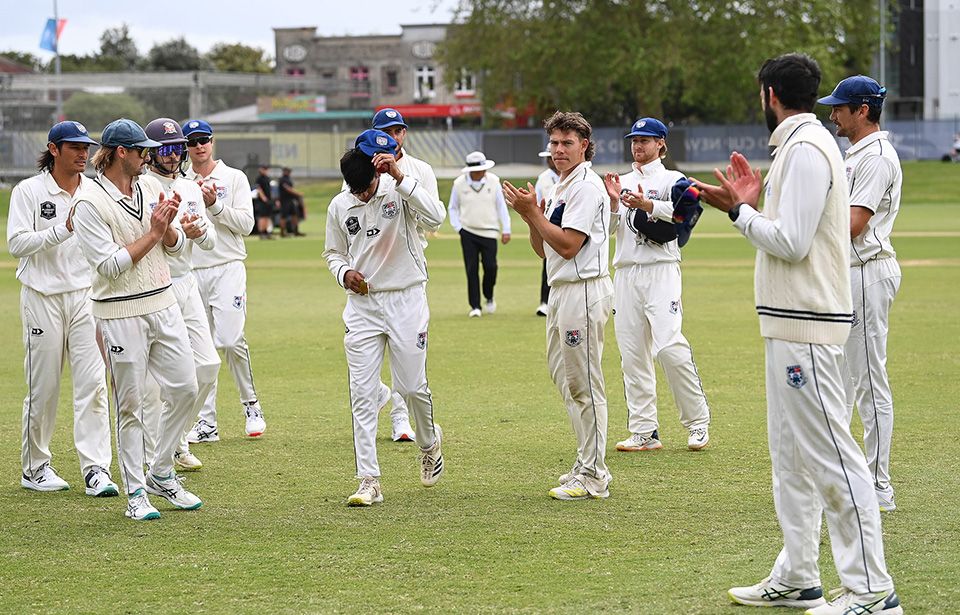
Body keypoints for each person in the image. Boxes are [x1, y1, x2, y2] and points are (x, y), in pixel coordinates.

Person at [695, 53, 902, 614]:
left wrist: (741, 213)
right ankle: (798, 575)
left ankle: (872, 592)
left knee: (833, 455)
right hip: (788, 322)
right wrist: (747, 205)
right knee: (789, 458)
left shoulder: (808, 148)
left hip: (808, 324)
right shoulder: (797, 145)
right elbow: (791, 228)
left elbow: (791, 242)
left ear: (769, 94)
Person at [72, 118, 203, 520]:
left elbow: (177, 247)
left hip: (163, 304)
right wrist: (153, 233)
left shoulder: (150, 187)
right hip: (119, 313)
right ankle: (135, 495)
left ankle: (161, 471)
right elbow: (110, 266)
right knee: (130, 405)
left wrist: (168, 232)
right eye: (141, 150)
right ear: (119, 153)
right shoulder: (88, 202)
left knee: (186, 388)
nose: (150, 156)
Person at [323, 129, 446, 506]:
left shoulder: (399, 190)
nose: (362, 195)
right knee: (361, 393)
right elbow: (333, 253)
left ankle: (429, 444)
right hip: (362, 306)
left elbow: (437, 216)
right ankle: (368, 480)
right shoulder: (340, 205)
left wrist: (399, 177)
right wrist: (345, 274)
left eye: (367, 188)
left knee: (410, 388)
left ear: (377, 175)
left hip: (407, 298)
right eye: (355, 189)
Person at [503, 111, 613, 501]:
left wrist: (532, 212)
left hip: (584, 290)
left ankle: (595, 474)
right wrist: (531, 216)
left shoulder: (586, 187)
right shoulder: (563, 185)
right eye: (554, 143)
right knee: (567, 380)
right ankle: (586, 461)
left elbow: (569, 245)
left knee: (584, 381)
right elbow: (545, 249)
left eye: (567, 143)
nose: (559, 150)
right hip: (562, 290)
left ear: (585, 145)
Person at [7, 121, 117, 497]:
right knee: (45, 387)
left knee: (93, 385)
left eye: (86, 147)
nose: (83, 153)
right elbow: (17, 243)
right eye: (74, 147)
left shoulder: (95, 190)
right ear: (54, 149)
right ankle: (35, 468)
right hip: (42, 298)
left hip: (86, 297)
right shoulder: (30, 191)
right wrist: (62, 230)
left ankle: (96, 469)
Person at [818, 76, 903, 512]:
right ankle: (849, 475)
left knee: (868, 380)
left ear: (863, 110)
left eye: (840, 108)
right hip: (846, 271)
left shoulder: (876, 157)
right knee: (842, 378)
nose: (833, 115)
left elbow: (854, 224)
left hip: (867, 271)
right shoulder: (854, 154)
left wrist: (804, 231)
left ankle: (878, 485)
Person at [602, 118, 711, 453]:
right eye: (635, 140)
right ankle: (644, 431)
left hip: (661, 269)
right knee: (632, 352)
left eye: (646, 140)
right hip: (626, 272)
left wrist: (647, 205)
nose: (638, 146)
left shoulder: (673, 179)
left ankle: (697, 422)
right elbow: (607, 231)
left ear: (661, 144)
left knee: (668, 346)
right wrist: (614, 203)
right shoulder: (621, 181)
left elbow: (685, 217)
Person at [141, 117, 221, 473]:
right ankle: (166, 447)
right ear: (152, 152)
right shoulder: (141, 185)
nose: (174, 156)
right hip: (154, 284)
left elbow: (211, 241)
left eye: (178, 148)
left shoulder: (191, 188)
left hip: (186, 281)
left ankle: (178, 437)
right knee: (161, 380)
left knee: (208, 364)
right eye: (166, 149)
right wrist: (178, 235)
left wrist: (197, 232)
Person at [181, 119, 266, 441]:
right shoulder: (181, 180)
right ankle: (207, 422)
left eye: (203, 140)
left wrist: (214, 204)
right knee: (200, 350)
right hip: (191, 270)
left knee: (230, 340)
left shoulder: (233, 177)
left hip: (228, 266)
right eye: (191, 142)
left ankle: (251, 405)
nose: (198, 146)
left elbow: (246, 225)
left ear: (212, 142)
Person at [448, 151, 511, 317]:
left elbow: (501, 207)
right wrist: (458, 228)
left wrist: (506, 229)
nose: (482, 172)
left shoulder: (494, 181)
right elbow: (453, 207)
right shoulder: (459, 184)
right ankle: (475, 306)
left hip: (490, 231)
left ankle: (489, 296)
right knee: (471, 269)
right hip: (468, 231)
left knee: (491, 267)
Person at [533, 147, 559, 317]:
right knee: (547, 264)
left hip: (568, 226)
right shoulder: (543, 178)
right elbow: (535, 202)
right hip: (547, 226)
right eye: (548, 158)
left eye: (551, 157)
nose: (549, 160)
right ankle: (544, 302)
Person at [278, 167, 305, 237]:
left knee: (295, 215)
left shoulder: (288, 179)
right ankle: (282, 232)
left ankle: (296, 231)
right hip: (285, 201)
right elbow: (288, 189)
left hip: (291, 200)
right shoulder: (282, 180)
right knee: (283, 216)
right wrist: (298, 193)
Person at [253, 165, 275, 239]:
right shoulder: (259, 179)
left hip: (268, 200)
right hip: (262, 201)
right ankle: (261, 232)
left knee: (267, 216)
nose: (266, 171)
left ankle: (266, 231)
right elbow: (259, 189)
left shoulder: (267, 178)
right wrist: (263, 198)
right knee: (262, 216)